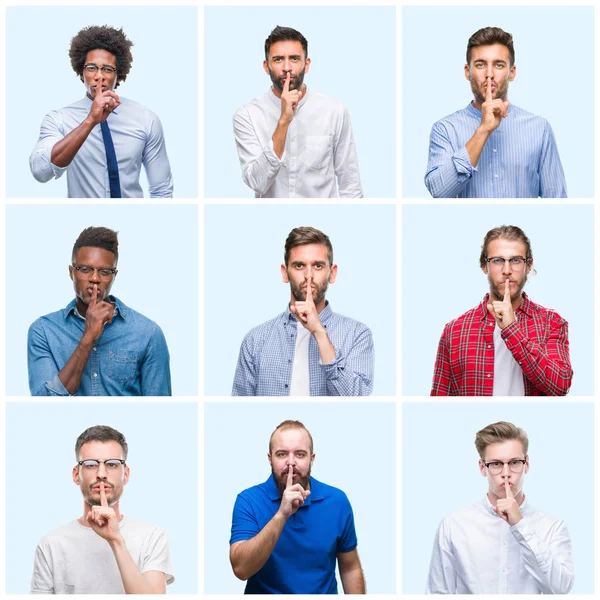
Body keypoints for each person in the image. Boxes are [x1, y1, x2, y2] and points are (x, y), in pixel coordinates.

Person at [426, 421, 574, 594]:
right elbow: (438, 593)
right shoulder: (454, 525)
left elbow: (560, 589)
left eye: (514, 462)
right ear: (483, 467)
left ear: (526, 464)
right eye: (496, 464)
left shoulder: (552, 526)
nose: (505, 472)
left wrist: (520, 524)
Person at [30, 25, 173, 198]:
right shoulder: (59, 119)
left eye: (107, 69)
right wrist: (90, 120)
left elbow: (162, 191)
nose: (99, 76)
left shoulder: (146, 119)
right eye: (91, 68)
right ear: (81, 72)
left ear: (118, 74)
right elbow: (40, 172)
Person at [27, 226, 171, 396]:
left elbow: (156, 404)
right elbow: (46, 402)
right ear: (71, 272)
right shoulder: (44, 331)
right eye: (85, 269)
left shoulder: (148, 333)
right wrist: (88, 338)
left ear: (114, 275)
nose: (95, 279)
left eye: (104, 272)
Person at [425, 27, 566, 198]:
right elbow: (439, 192)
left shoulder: (539, 128)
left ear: (511, 72)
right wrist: (483, 130)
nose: (489, 74)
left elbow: (556, 199)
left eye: (499, 65)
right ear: (467, 72)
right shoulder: (445, 129)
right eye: (480, 64)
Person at [431, 225, 572, 396]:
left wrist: (511, 329)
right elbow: (440, 398)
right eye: (497, 260)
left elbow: (560, 385)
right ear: (485, 266)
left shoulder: (552, 322)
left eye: (516, 260)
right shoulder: (454, 331)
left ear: (528, 266)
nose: (507, 270)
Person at [31, 426, 174, 594]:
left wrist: (116, 541)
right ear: (76, 475)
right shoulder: (51, 544)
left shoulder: (152, 537)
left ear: (126, 474)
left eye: (112, 464)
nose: (101, 473)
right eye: (91, 464)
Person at [232, 226, 373, 396]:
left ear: (332, 273)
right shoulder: (255, 340)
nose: (308, 275)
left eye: (318, 266)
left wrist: (319, 332)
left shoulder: (357, 334)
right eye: (299, 266)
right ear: (285, 273)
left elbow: (358, 402)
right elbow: (242, 408)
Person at [230, 420, 365, 593]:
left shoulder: (337, 501)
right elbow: (241, 569)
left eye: (300, 454)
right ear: (270, 459)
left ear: (312, 459)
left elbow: (350, 568)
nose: (291, 462)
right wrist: (281, 515)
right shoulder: (248, 500)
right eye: (282, 454)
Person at [233, 26, 363, 198]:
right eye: (278, 59)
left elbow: (350, 184)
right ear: (266, 66)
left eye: (294, 58)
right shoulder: (248, 115)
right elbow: (257, 183)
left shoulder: (334, 111)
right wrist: (284, 121)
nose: (287, 67)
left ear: (306, 64)